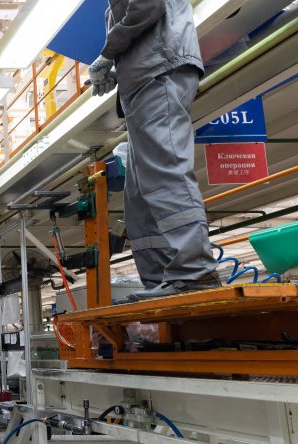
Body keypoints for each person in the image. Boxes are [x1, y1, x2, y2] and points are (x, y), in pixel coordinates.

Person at [87, 0, 221, 302]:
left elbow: (148, 6)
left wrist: (108, 53)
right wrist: (117, 67)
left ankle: (194, 272)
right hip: (143, 78)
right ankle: (162, 278)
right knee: (139, 192)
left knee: (164, 175)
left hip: (158, 72)